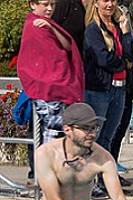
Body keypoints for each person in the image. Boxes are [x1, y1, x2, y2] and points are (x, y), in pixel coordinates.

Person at [83, 0, 133, 199]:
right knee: (94, 138)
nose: (110, 4)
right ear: (96, 3)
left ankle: (102, 180)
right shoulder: (93, 30)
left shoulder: (118, 26)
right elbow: (102, 59)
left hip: (120, 89)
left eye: (113, 0)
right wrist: (124, 63)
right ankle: (89, 182)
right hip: (99, 89)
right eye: (105, 0)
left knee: (108, 137)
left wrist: (126, 32)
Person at [17, 0, 84, 150]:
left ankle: (49, 170)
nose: (49, 9)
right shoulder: (34, 25)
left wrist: (51, 27)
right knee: (53, 136)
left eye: (52, 5)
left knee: (58, 136)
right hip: (49, 90)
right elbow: (49, 60)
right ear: (33, 4)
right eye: (45, 4)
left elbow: (67, 45)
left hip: (55, 90)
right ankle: (47, 171)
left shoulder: (46, 24)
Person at [109, 0, 133, 187]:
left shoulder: (124, 24)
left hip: (126, 85)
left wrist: (127, 31)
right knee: (109, 134)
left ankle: (112, 173)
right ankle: (104, 176)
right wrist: (123, 62)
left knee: (119, 132)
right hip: (109, 86)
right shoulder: (99, 29)